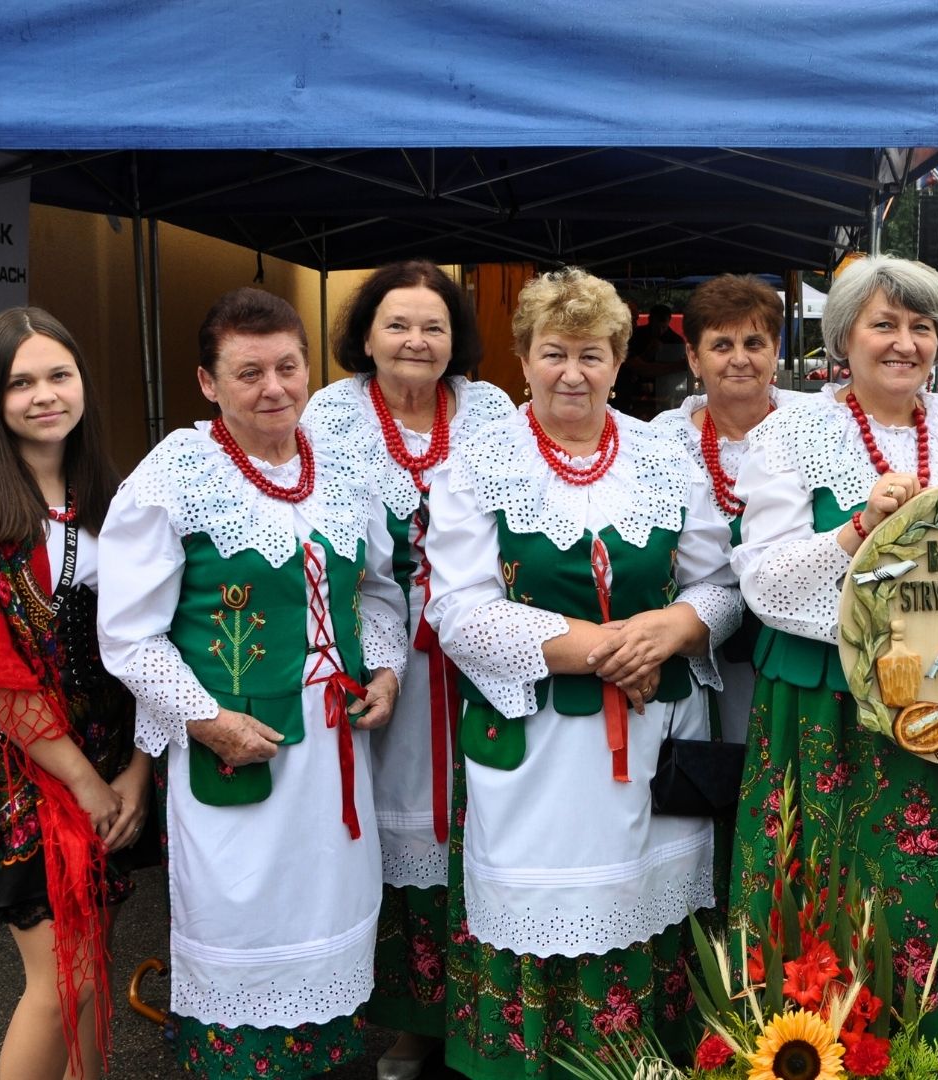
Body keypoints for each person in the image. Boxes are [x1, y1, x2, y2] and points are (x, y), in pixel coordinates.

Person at [422, 267, 740, 1079]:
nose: (572, 373)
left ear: (617, 359)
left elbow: (721, 583)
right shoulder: (481, 462)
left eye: (592, 355)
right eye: (553, 353)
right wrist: (606, 647)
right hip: (539, 751)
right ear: (522, 360)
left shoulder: (661, 456)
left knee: (650, 903)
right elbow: (458, 609)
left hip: (657, 734)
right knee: (546, 906)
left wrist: (670, 628)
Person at [98, 288, 407, 1078]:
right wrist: (205, 720)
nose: (274, 387)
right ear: (208, 383)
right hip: (234, 741)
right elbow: (130, 635)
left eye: (288, 367)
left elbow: (375, 588)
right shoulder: (178, 473)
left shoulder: (340, 467)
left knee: (331, 907)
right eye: (248, 373)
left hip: (336, 747)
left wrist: (386, 668)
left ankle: (323, 1059)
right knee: (240, 911)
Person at [729, 256, 938, 1042]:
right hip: (826, 692)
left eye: (922, 327)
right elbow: (767, 583)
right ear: (843, 338)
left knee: (930, 888)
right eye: (885, 324)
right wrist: (856, 528)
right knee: (825, 882)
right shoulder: (793, 433)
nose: (905, 343)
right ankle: (811, 1051)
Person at [0, 307, 151, 1080]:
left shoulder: (117, 497)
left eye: (59, 375)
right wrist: (84, 783)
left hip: (113, 760)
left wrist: (135, 774)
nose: (45, 395)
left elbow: (155, 647)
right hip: (16, 775)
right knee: (59, 983)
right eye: (21, 383)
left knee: (95, 969)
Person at [299, 260, 514, 1079]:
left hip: (487, 641)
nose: (417, 340)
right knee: (404, 828)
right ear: (366, 335)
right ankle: (412, 1019)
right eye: (398, 324)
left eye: (434, 325)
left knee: (491, 814)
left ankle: (486, 1008)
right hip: (384, 646)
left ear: (456, 338)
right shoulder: (332, 413)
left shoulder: (491, 409)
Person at [651, 274, 803, 746]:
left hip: (798, 641)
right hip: (701, 643)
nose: (740, 358)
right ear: (694, 358)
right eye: (721, 345)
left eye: (754, 342)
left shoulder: (812, 421)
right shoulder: (661, 439)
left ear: (775, 351)